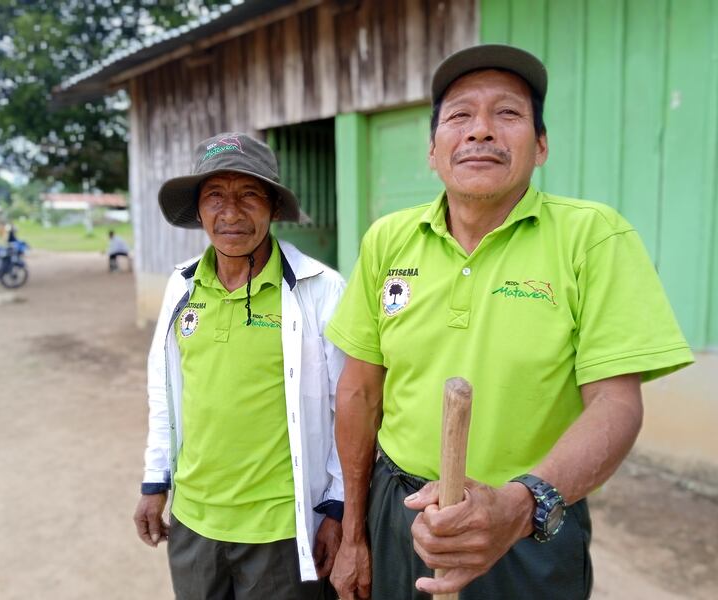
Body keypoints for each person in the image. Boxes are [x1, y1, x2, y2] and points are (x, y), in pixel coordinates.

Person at [325, 44, 694, 600]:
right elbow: (358, 393)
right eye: (459, 116)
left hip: (532, 526)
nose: (480, 131)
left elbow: (616, 405)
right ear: (432, 150)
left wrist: (521, 505)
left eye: (507, 114)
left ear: (541, 146)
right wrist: (354, 532)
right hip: (398, 512)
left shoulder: (592, 237)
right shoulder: (388, 239)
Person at [133, 133, 345, 600]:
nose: (231, 213)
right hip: (193, 521)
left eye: (249, 194)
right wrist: (155, 480)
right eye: (215, 196)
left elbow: (347, 406)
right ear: (199, 210)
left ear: (272, 206)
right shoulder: (180, 286)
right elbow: (164, 391)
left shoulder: (320, 290)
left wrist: (337, 506)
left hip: (279, 527)